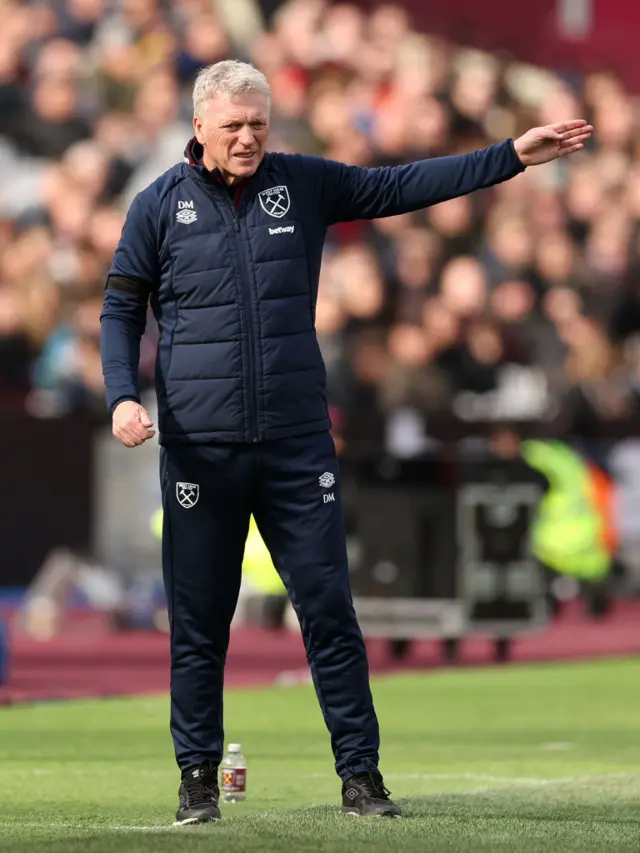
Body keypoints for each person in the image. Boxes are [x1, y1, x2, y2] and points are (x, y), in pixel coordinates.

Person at [100, 59, 592, 824]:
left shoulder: (301, 184)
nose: (248, 137)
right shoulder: (156, 207)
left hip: (297, 445)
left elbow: (401, 186)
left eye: (259, 122)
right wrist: (121, 396)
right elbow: (119, 308)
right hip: (201, 449)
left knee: (331, 612)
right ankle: (197, 779)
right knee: (200, 623)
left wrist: (509, 157)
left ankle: (361, 776)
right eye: (232, 125)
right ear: (198, 126)